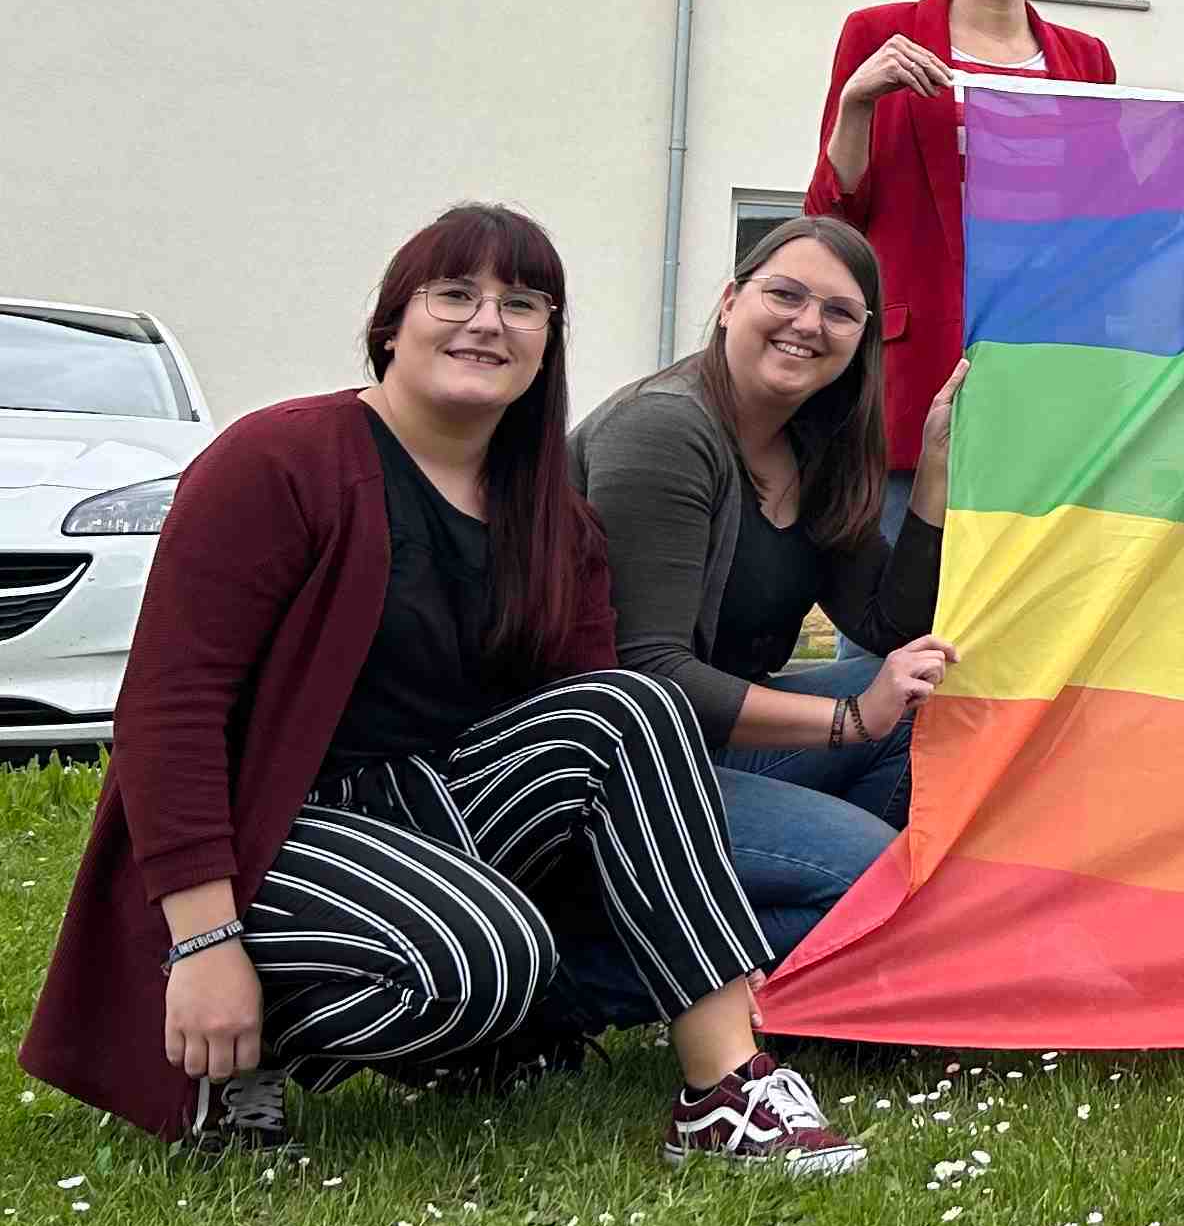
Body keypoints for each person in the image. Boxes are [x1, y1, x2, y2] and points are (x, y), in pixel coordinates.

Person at [18, 206, 860, 1168]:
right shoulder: (282, 460)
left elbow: (591, 748)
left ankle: (723, 1092)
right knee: (480, 956)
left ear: (548, 341)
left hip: (432, 814)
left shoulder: (552, 521)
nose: (487, 321)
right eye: (454, 294)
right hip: (272, 826)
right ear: (391, 324)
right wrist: (202, 944)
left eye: (522, 302)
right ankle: (237, 1059)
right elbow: (170, 709)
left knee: (633, 705)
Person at [569, 217, 962, 976]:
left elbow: (891, 624)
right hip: (614, 777)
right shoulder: (663, 429)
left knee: (940, 678)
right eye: (784, 294)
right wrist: (850, 718)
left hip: (710, 752)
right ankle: (579, 973)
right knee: (876, 878)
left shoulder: (811, 445)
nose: (808, 323)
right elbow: (649, 671)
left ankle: (824, 938)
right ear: (727, 302)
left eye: (840, 311)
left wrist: (935, 470)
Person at [807, 0, 1116, 519]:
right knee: (892, 614)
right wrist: (858, 101)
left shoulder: (1086, 59)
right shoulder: (879, 34)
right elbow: (832, 217)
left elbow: (1109, 224)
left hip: (1043, 385)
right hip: (914, 380)